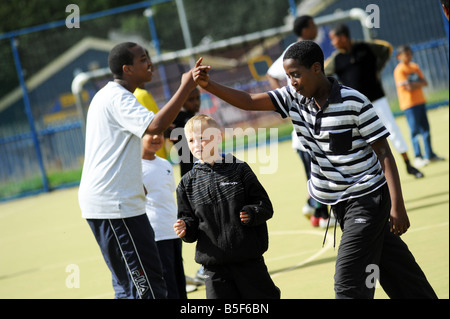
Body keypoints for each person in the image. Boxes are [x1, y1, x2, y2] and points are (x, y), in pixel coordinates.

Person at [191, 41, 437, 299]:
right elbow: (249, 101)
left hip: (367, 199)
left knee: (348, 280)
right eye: (288, 76)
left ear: (317, 68)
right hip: (339, 203)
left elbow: (384, 152)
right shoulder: (292, 98)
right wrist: (209, 85)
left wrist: (398, 206)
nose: (292, 82)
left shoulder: (353, 101)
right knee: (398, 269)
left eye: (296, 74)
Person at [78, 42, 198, 299]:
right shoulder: (117, 97)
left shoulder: (112, 95)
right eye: (143, 59)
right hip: (115, 205)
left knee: (130, 285)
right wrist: (186, 87)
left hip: (119, 204)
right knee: (146, 287)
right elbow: (154, 126)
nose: (150, 63)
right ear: (127, 69)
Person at [173, 114, 280, 299]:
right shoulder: (186, 183)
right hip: (214, 268)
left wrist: (252, 213)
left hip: (248, 261)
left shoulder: (239, 170)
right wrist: (185, 228)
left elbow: (264, 205)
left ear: (218, 137)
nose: (196, 144)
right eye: (191, 140)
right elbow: (189, 222)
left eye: (202, 138)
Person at [326, 24, 424, 179]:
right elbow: (323, 74)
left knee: (392, 130)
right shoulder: (336, 59)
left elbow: (387, 49)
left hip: (377, 99)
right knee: (363, 139)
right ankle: (373, 174)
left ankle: (408, 164)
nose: (332, 43)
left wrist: (377, 68)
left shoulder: (365, 47)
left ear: (343, 37)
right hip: (356, 107)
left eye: (333, 39)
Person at [267, 15, 331, 228]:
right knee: (318, 168)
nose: (316, 27)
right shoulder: (297, 52)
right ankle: (320, 212)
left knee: (317, 168)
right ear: (305, 29)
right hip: (305, 124)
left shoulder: (309, 49)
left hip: (310, 123)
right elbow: (271, 73)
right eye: (313, 24)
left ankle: (313, 207)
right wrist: (283, 102)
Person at [141, 132, 187, 299]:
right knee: (167, 285)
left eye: (159, 133)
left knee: (179, 280)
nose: (156, 137)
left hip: (172, 231)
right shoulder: (134, 168)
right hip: (156, 235)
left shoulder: (165, 164)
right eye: (150, 134)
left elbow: (169, 196)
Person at [394, 45, 445, 167]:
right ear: (399, 57)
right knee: (415, 131)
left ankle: (430, 155)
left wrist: (414, 83)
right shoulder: (399, 70)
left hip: (420, 101)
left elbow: (425, 82)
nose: (408, 56)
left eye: (410, 54)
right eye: (405, 54)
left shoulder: (414, 67)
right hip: (409, 105)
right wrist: (418, 83)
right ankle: (418, 156)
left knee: (426, 129)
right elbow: (408, 87)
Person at [169, 87, 201, 177]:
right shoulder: (179, 118)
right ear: (182, 101)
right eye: (191, 100)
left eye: (198, 98)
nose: (196, 102)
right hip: (188, 168)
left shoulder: (194, 118)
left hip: (199, 164)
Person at [134, 83, 168, 159]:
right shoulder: (141, 95)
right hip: (154, 154)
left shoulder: (141, 94)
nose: (151, 70)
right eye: (147, 69)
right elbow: (156, 124)